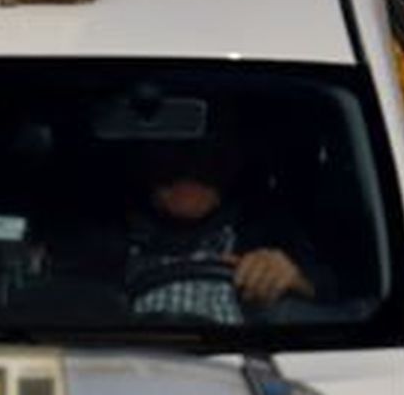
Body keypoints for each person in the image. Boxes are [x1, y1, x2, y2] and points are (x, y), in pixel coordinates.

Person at [110, 137, 316, 328]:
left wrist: (292, 282)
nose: (190, 164)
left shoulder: (269, 231)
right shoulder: (104, 234)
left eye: (207, 153)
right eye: (173, 149)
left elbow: (331, 301)